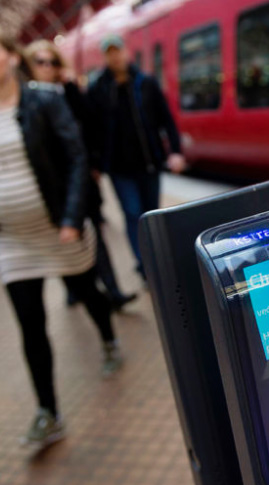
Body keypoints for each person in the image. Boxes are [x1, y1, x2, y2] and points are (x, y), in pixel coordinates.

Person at [0, 34, 123, 447]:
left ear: (11, 56)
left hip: (59, 228)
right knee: (30, 324)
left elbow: (75, 156)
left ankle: (108, 338)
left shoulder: (44, 99)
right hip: (13, 241)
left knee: (87, 291)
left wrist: (73, 217)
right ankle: (48, 412)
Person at [24, 39, 137, 311]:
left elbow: (90, 123)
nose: (48, 67)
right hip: (50, 185)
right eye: (41, 62)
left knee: (95, 233)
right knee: (61, 237)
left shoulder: (66, 93)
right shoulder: (25, 103)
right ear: (30, 65)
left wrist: (72, 87)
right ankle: (74, 289)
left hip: (80, 178)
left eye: (52, 62)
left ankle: (113, 291)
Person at [88, 34, 186, 279]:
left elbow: (167, 120)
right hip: (119, 169)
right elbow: (91, 128)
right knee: (133, 214)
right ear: (105, 57)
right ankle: (145, 267)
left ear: (125, 52)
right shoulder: (98, 89)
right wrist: (95, 162)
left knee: (152, 213)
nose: (115, 56)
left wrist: (175, 152)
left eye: (117, 50)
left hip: (149, 163)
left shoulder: (146, 82)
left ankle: (158, 260)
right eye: (109, 52)